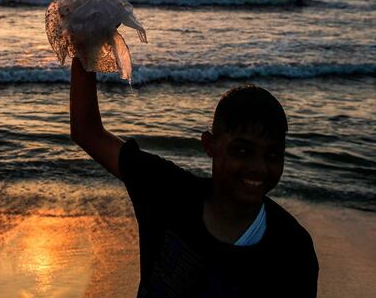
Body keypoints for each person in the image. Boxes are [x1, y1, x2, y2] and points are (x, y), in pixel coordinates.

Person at [69, 57, 319, 296]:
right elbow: (87, 131)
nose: (259, 167)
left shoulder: (293, 249)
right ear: (209, 145)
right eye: (242, 151)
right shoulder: (167, 192)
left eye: (273, 155)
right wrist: (86, 39)